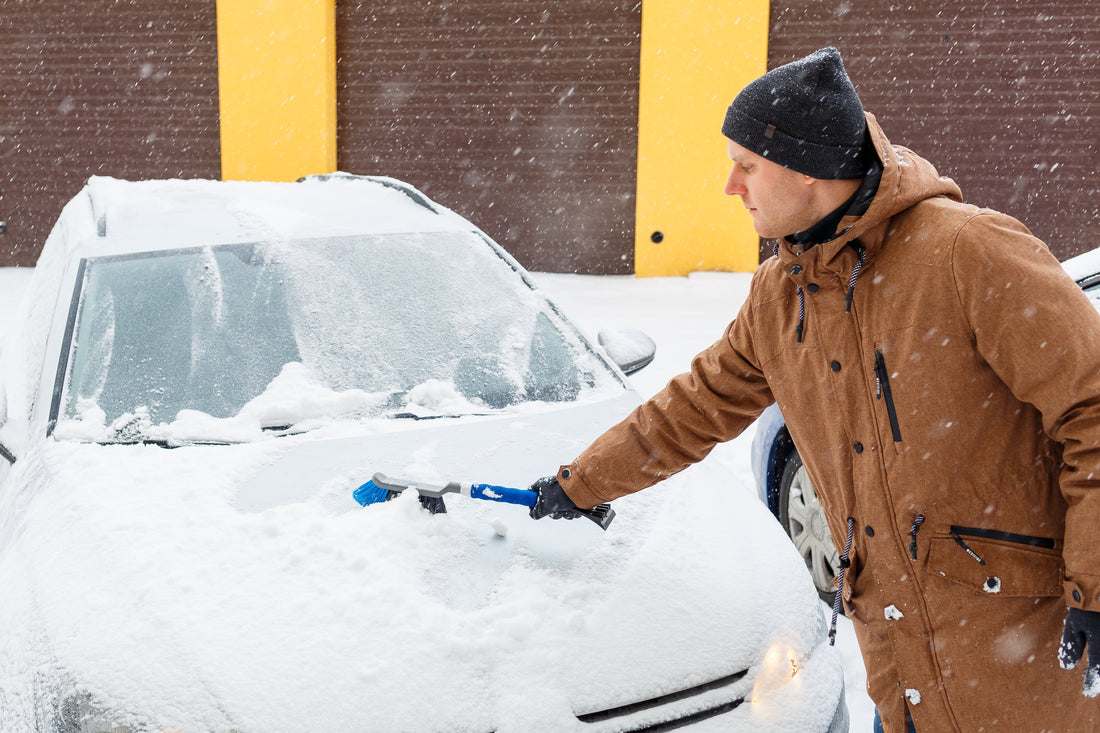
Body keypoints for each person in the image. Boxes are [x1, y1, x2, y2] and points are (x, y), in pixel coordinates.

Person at [527, 47, 1100, 732]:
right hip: (901, 666)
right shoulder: (783, 293)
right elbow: (694, 406)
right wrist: (581, 482)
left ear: (807, 172)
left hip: (1018, 654)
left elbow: (1091, 409)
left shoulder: (966, 253)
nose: (731, 187)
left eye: (747, 166)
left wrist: (1096, 584)